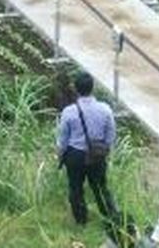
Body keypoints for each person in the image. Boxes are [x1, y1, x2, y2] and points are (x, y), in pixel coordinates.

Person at [57, 71, 125, 243]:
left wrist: (60, 155)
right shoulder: (105, 109)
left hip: (75, 155)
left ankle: (81, 222)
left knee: (76, 188)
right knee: (101, 188)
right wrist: (105, 151)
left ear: (76, 89)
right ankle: (111, 220)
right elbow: (111, 135)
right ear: (92, 88)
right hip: (97, 155)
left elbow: (63, 139)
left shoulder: (69, 111)